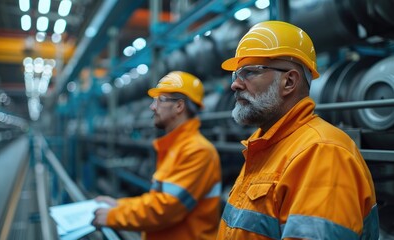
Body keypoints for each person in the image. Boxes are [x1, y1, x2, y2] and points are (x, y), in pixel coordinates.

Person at [216, 20, 379, 239]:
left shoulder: (323, 153)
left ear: (289, 81)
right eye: (236, 75)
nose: (235, 85)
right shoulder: (264, 148)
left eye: (249, 72)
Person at [92, 71, 222, 239]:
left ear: (179, 106)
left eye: (160, 100)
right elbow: (158, 199)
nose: (152, 107)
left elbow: (165, 210)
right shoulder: (176, 147)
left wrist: (113, 216)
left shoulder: (198, 151)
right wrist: (119, 205)